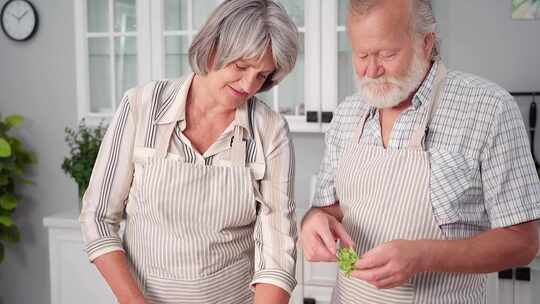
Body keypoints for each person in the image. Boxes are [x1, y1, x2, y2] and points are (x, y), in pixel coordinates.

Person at [300, 0, 540, 303]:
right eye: (361, 55)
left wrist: (425, 255)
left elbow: (523, 242)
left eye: (387, 54)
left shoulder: (489, 108)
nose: (371, 70)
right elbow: (326, 207)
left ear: (427, 43)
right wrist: (313, 222)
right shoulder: (347, 114)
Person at [79, 1, 299, 303]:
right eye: (242, 66)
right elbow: (99, 217)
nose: (249, 85)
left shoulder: (270, 130)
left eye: (261, 75)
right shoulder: (141, 107)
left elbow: (277, 252)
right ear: (212, 49)